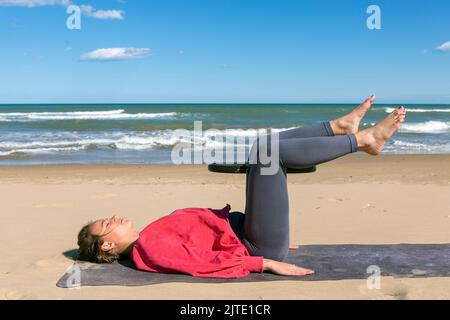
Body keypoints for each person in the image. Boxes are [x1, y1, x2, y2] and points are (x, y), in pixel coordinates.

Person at [77, 96, 407, 278]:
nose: (115, 217)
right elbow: (201, 263)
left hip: (254, 234)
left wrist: (269, 229)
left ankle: (337, 128)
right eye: (108, 224)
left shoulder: (148, 237)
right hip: (256, 247)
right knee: (269, 154)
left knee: (261, 148)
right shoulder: (149, 248)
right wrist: (265, 262)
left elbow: (207, 237)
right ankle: (364, 141)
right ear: (106, 246)